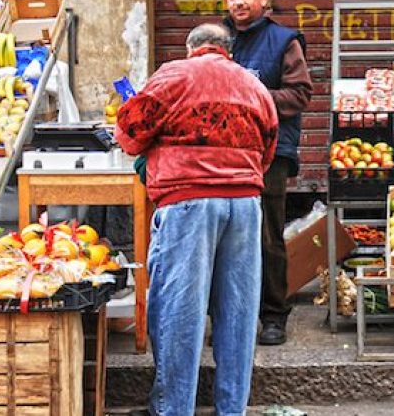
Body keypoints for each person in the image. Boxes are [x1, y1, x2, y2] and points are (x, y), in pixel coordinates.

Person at [115, 23, 278, 416]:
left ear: (193, 49)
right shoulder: (254, 86)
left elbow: (130, 132)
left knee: (179, 313)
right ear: (227, 51)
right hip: (244, 204)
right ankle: (231, 409)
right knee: (237, 315)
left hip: (189, 204)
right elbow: (268, 150)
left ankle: (174, 409)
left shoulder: (174, 74)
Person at [221, 0, 313, 346]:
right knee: (224, 235)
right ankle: (227, 316)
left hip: (269, 152)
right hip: (221, 152)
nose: (239, 2)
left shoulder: (284, 40)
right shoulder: (214, 38)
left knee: (267, 235)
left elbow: (300, 93)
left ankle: (274, 315)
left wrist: (250, 95)